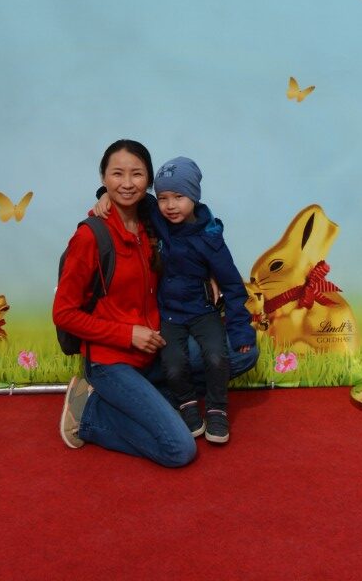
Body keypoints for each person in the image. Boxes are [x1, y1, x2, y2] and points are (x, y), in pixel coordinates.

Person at [52, 139, 196, 467]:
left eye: (137, 174)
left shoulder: (153, 223)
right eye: (117, 174)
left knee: (235, 354)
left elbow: (197, 226)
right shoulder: (90, 236)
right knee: (179, 449)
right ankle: (89, 413)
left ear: (149, 181)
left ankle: (150, 398)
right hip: (110, 361)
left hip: (153, 350)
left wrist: (212, 274)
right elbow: (63, 313)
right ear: (103, 178)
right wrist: (127, 334)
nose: (127, 183)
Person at [95, 155, 256, 445]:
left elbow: (233, 286)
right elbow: (132, 198)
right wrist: (104, 195)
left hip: (203, 313)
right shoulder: (158, 220)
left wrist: (241, 329)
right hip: (168, 315)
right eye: (164, 198)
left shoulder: (210, 238)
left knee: (217, 357)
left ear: (194, 196)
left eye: (179, 197)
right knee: (174, 363)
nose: (170, 205)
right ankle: (186, 405)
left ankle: (217, 409)